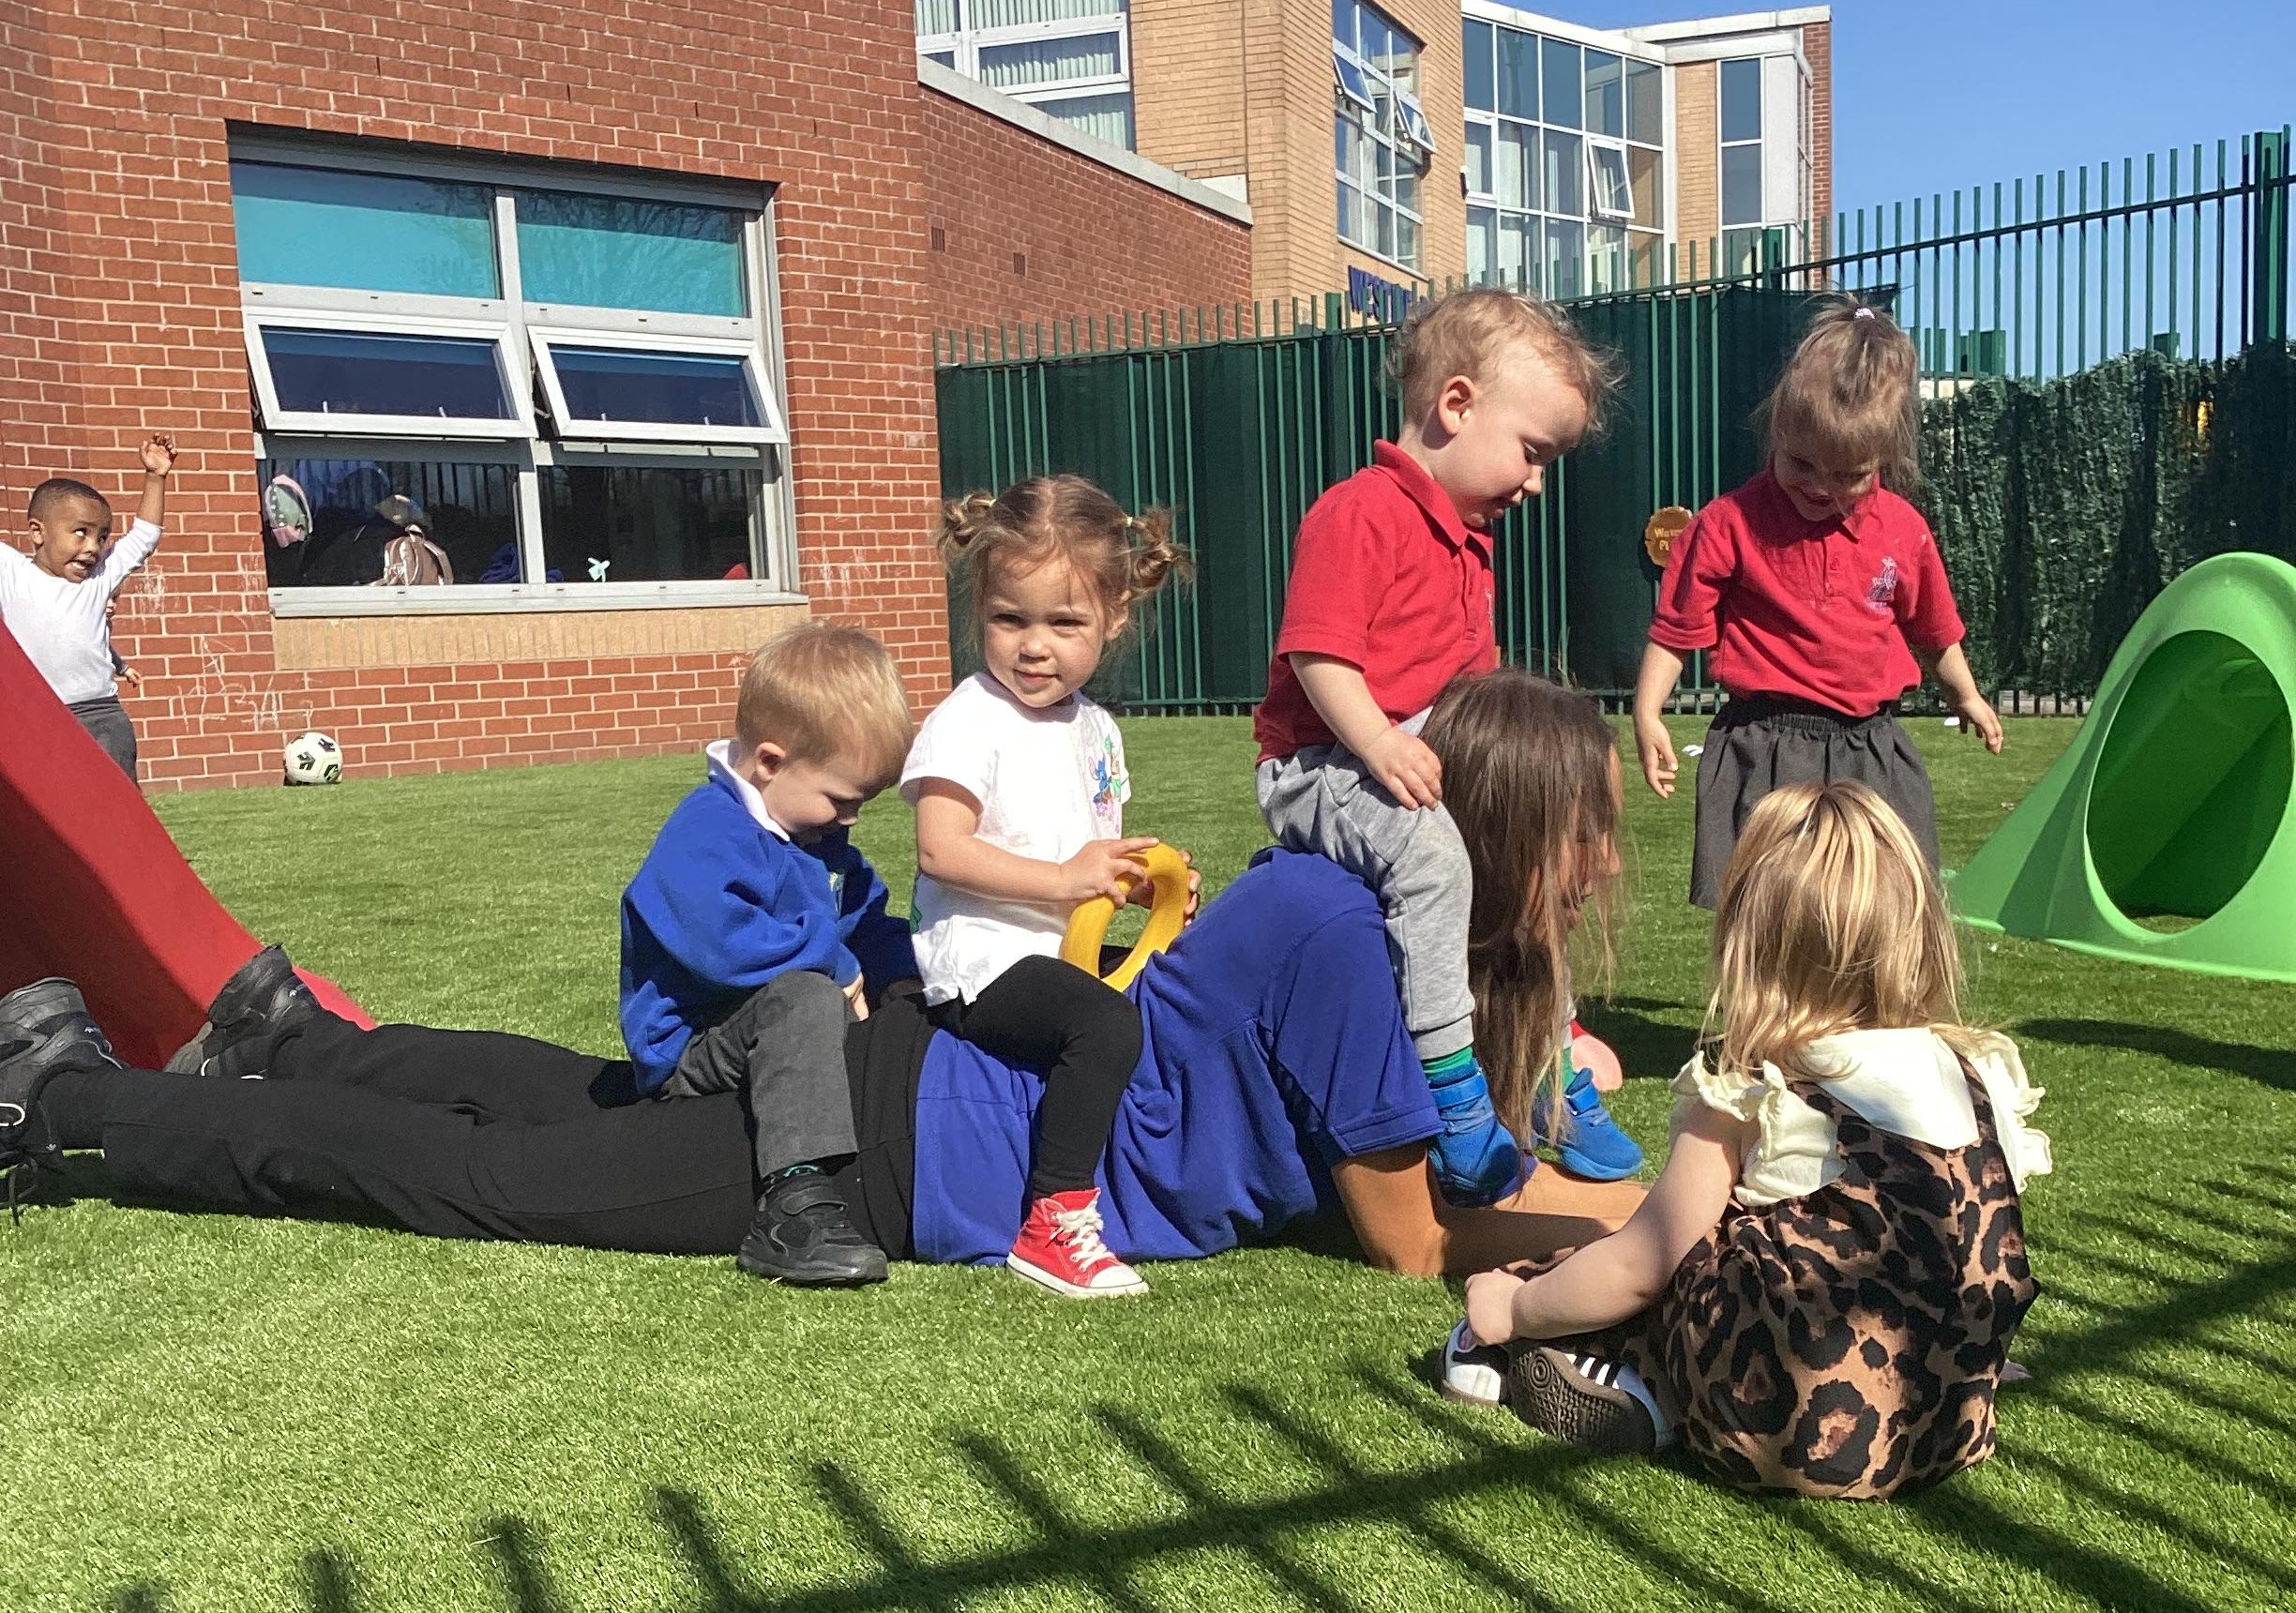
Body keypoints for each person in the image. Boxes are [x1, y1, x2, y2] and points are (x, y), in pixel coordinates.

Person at [0, 669, 1643, 1286]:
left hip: (904, 1079)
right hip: (897, 1139)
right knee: (495, 1179)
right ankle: (73, 1104)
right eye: (1582, 834)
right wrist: (1649, 1233)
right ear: (1493, 832)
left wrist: (1582, 1127)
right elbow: (1411, 1237)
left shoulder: (1352, 922)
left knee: (566, 1097)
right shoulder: (1345, 937)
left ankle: (279, 1035)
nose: (1597, 867)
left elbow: (1461, 1153)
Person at [1448, 781, 2047, 1500]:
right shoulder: (1974, 1073)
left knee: (1672, 1248)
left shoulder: (1764, 1086)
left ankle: (1628, 1380)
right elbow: (1982, 1248)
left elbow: (1644, 1262)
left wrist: (1515, 1307)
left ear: (1750, 941)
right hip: (1948, 1425)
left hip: (1781, 1420)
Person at [1253, 287, 1641, 1201]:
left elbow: (1476, 695)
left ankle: (1550, 1060)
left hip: (1404, 752)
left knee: (1520, 856)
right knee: (1431, 860)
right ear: (1456, 404)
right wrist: (1379, 745)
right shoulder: (1359, 513)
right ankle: (1456, 1093)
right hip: (1321, 763)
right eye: (1533, 452)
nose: (1536, 483)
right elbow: (1318, 655)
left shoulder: (1468, 545)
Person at [904, 475, 1189, 1301]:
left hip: (1060, 947)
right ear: (979, 610)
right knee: (1103, 1023)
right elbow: (940, 850)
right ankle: (1052, 1223)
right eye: (1010, 619)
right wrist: (1066, 879)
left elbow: (1091, 862)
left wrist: (1147, 885)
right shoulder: (970, 719)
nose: (1035, 647)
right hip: (984, 962)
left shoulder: (1096, 728)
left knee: (1176, 983)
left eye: (1064, 624)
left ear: (1114, 618)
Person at [1632, 296, 2002, 910]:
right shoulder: (1728, 524)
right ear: (1778, 429)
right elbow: (1675, 630)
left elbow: (1934, 629)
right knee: (1767, 914)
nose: (1819, 487)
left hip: (1871, 747)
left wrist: (1965, 695)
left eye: (1848, 474)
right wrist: (1648, 711)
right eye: (1801, 463)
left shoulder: (1903, 531)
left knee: (1883, 911)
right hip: (1765, 746)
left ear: (1884, 459)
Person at [619, 625, 919, 1288]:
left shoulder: (812, 834)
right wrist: (835, 964)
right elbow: (719, 943)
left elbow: (865, 916)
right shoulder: (708, 830)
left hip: (766, 1028)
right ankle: (793, 1206)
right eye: (841, 801)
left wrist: (903, 976)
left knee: (853, 996)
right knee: (805, 996)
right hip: (693, 1044)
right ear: (770, 762)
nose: (850, 820)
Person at [0, 436, 174, 779]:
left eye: (102, 536)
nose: (93, 547)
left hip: (101, 716)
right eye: (80, 532)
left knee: (116, 802)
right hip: (35, 718)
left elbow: (144, 538)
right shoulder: (12, 573)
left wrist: (156, 477)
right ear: (37, 532)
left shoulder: (98, 578)